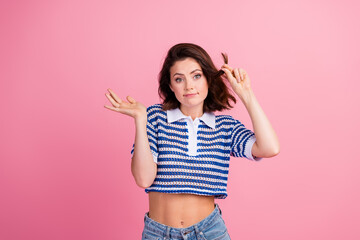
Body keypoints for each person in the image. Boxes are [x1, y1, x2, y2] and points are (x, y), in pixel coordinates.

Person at [104, 43, 280, 240]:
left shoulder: (225, 126)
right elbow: (144, 179)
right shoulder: (154, 117)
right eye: (179, 79)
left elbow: (270, 148)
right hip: (158, 234)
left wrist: (246, 94)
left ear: (208, 79)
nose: (189, 86)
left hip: (210, 232)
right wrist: (140, 119)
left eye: (196, 76)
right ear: (171, 86)